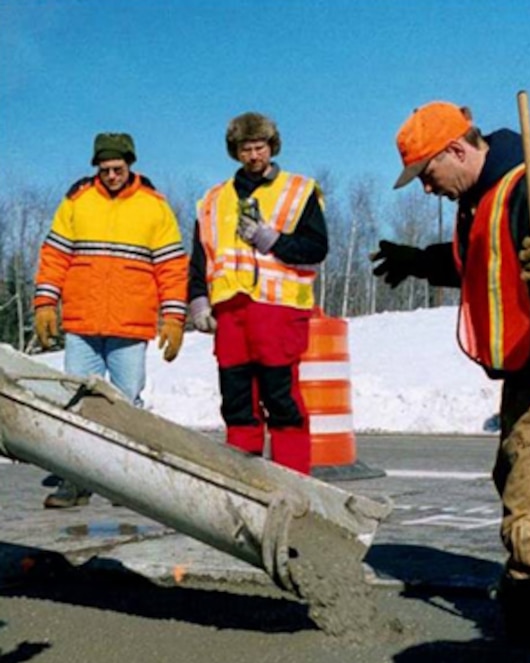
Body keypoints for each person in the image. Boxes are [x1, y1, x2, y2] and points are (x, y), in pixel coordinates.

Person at [372, 101, 530, 648]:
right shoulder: (481, 201)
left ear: (456, 150)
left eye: (427, 173)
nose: (426, 189)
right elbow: (480, 262)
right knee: (519, 475)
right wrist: (418, 261)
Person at [33, 132, 188, 509]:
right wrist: (44, 302)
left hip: (129, 326)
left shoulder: (154, 207)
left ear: (130, 165)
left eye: (117, 168)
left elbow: (171, 267)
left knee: (126, 404)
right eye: (104, 169)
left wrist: (173, 317)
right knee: (75, 401)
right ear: (95, 168)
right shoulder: (77, 202)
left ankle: (127, 483)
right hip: (83, 324)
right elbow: (55, 256)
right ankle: (75, 480)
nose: (111, 175)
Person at [187, 112, 328, 475]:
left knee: (281, 402)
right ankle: (244, 484)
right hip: (231, 315)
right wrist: (198, 299)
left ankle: (292, 482)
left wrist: (274, 240)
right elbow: (201, 254)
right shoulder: (213, 199)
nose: (254, 156)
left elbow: (317, 248)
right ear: (235, 152)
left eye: (260, 147)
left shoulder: (299, 191)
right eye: (246, 149)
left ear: (272, 147)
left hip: (277, 315)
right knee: (237, 404)